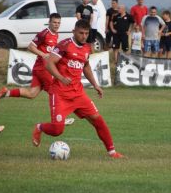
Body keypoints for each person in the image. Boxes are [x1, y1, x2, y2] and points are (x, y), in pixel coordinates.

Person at [32, 19, 124, 159]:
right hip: (60, 94)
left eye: (86, 33)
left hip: (78, 94)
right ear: (74, 31)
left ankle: (112, 152)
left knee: (98, 120)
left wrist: (95, 85)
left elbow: (85, 66)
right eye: (81, 33)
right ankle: (39, 127)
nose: (84, 36)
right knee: (57, 130)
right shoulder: (64, 45)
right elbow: (49, 64)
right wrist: (61, 78)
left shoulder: (87, 48)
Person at [0, 13, 74, 125]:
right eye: (54, 22)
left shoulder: (55, 34)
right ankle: (60, 118)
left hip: (39, 68)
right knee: (55, 92)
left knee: (32, 93)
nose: (56, 25)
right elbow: (31, 47)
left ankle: (6, 93)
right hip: (44, 69)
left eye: (58, 23)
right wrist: (43, 55)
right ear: (49, 22)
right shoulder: (44, 33)